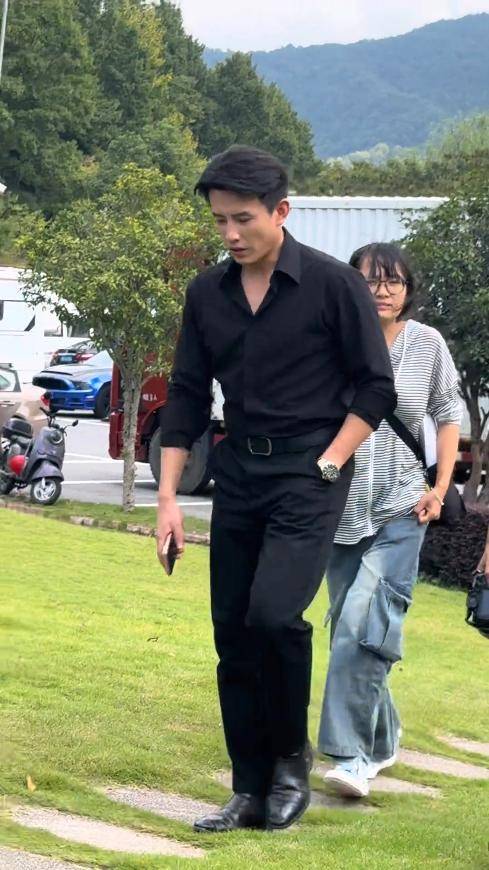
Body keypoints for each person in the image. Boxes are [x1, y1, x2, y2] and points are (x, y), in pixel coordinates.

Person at [157, 146, 396, 832]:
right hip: (238, 472)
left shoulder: (332, 285)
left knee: (272, 615)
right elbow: (186, 394)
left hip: (310, 474)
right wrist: (168, 500)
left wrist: (331, 462)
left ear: (280, 211)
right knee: (232, 630)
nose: (231, 234)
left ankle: (290, 765)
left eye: (243, 219)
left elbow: (374, 387)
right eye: (219, 221)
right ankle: (247, 787)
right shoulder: (207, 293)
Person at [318, 242, 462, 799]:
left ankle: (352, 757)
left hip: (404, 502)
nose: (382, 291)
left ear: (407, 290)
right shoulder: (333, 339)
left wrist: (440, 488)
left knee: (365, 619)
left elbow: (447, 414)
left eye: (393, 281)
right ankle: (383, 735)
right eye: (370, 280)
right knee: (347, 627)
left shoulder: (427, 344)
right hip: (341, 504)